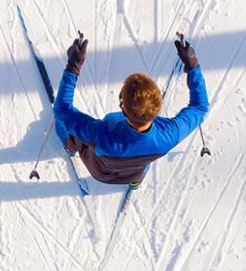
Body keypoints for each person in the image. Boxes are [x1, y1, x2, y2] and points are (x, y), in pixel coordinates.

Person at [53, 34, 209, 187]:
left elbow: (62, 110)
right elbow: (199, 107)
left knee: (74, 131)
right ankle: (135, 182)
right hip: (134, 173)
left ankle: (70, 146)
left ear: (123, 107)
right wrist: (192, 64)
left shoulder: (100, 134)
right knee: (143, 161)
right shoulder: (168, 135)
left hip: (100, 172)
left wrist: (73, 66)